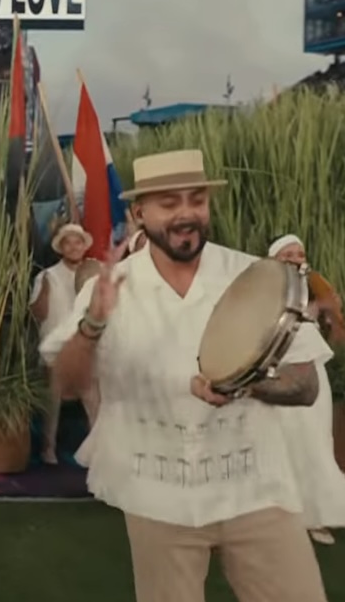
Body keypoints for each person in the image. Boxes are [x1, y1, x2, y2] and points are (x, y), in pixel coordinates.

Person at [40, 149, 331, 602]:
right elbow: (69, 380)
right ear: (139, 213)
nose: (186, 214)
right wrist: (93, 324)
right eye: (169, 203)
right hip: (157, 495)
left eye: (196, 200)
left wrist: (241, 384)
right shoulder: (114, 286)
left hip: (255, 489)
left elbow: (306, 384)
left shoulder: (253, 275)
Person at [268, 234, 345, 546]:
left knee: (317, 441)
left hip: (313, 370)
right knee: (287, 442)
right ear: (274, 259)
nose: (296, 257)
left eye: (299, 252)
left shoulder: (314, 283)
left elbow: (329, 323)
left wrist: (329, 310)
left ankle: (316, 516)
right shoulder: (266, 288)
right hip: (282, 370)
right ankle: (287, 517)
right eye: (288, 253)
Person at [30, 223, 99, 465]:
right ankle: (48, 449)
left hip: (86, 348)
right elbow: (37, 314)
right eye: (68, 242)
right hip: (57, 349)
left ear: (83, 246)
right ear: (61, 248)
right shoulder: (47, 276)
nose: (73, 246)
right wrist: (46, 291)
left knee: (93, 401)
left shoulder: (94, 273)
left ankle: (98, 452)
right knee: (53, 402)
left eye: (77, 241)